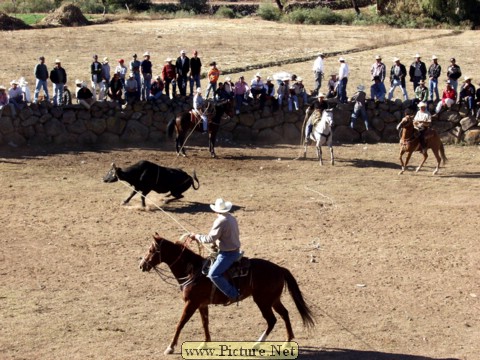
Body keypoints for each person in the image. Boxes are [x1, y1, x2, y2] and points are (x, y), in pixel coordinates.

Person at [189, 198, 241, 304]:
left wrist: (196, 236)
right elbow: (227, 236)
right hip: (235, 250)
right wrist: (217, 243)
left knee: (213, 274)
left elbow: (209, 239)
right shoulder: (231, 218)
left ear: (216, 210)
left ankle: (234, 294)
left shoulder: (220, 221)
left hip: (227, 254)